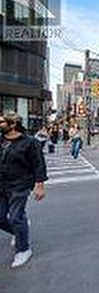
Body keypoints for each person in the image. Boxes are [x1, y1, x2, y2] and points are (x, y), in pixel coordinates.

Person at [0, 113, 47, 268]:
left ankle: (23, 249)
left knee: (15, 217)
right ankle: (19, 229)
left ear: (13, 124)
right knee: (2, 218)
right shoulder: (1, 140)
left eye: (1, 122)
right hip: (2, 184)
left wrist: (40, 185)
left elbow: (39, 164)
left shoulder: (30, 142)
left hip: (20, 185)